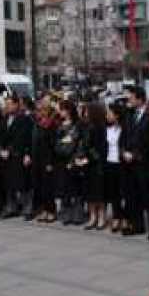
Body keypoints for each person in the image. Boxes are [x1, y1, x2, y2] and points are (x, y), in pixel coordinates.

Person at [120, 87, 149, 237]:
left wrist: (136, 155)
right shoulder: (129, 115)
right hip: (129, 162)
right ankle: (137, 225)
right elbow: (123, 136)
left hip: (144, 163)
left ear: (140, 99)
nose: (128, 101)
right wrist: (123, 151)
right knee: (132, 196)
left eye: (131, 98)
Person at [0, 95, 33, 219]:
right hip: (6, 157)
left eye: (10, 104)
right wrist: (1, 149)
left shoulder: (25, 119)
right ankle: (10, 206)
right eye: (6, 104)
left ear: (17, 104)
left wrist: (28, 154)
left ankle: (27, 207)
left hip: (19, 154)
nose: (7, 106)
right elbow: (0, 136)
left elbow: (26, 138)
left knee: (23, 182)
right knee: (8, 183)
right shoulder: (4, 118)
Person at [27, 101, 59, 223]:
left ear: (47, 111)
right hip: (36, 159)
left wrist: (50, 162)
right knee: (39, 186)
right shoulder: (36, 124)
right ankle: (43, 210)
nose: (38, 112)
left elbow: (52, 145)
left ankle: (51, 210)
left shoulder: (51, 125)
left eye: (41, 110)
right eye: (37, 110)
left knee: (48, 187)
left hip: (47, 160)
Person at [53, 99, 83, 225]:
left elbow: (78, 144)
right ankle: (65, 213)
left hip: (73, 161)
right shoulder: (59, 124)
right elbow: (57, 143)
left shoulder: (77, 125)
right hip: (61, 161)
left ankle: (77, 214)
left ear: (68, 110)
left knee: (75, 188)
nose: (59, 112)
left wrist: (74, 159)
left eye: (62, 109)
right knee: (64, 188)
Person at [80, 102, 108, 230]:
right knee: (89, 192)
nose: (85, 114)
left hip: (97, 164)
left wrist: (90, 157)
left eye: (87, 111)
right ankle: (92, 216)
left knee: (99, 192)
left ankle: (102, 216)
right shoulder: (85, 126)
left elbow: (100, 148)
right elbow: (83, 145)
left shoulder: (101, 127)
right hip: (87, 164)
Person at [104, 103, 125, 232]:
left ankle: (125, 217)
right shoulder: (107, 129)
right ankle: (117, 217)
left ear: (117, 114)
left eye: (109, 113)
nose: (107, 116)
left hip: (121, 163)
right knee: (113, 193)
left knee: (124, 192)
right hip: (109, 163)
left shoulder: (124, 129)